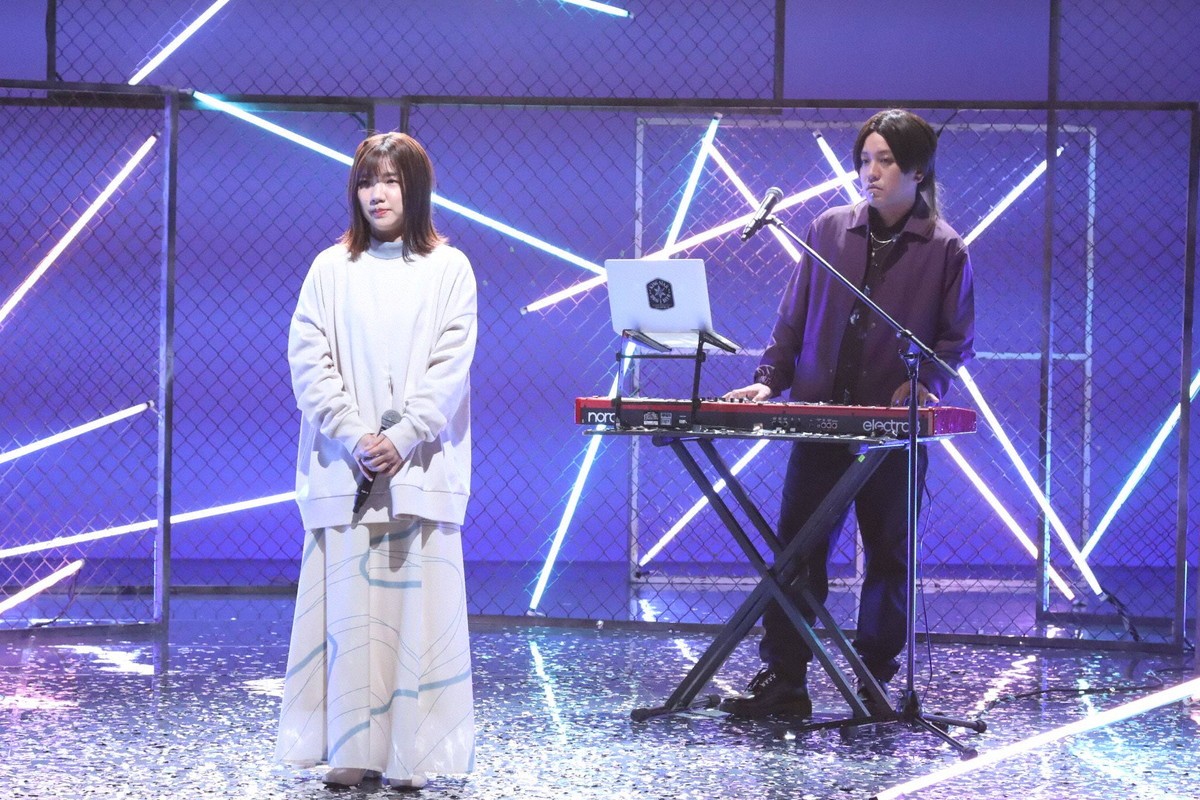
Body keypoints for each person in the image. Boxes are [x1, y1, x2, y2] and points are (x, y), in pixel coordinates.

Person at [721, 109, 975, 719]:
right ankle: (784, 680)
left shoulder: (944, 247)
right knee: (797, 551)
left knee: (888, 553)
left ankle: (874, 680)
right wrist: (768, 381)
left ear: (917, 171)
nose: (871, 172)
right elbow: (793, 319)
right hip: (820, 418)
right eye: (865, 160)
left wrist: (924, 383)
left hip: (891, 429)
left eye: (885, 161)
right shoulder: (829, 229)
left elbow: (955, 340)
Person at [275, 132, 477, 788]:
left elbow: (450, 365)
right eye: (367, 181)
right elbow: (309, 362)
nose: (377, 193)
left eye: (390, 180)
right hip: (348, 470)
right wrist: (355, 436)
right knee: (350, 616)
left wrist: (407, 433)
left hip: (420, 473)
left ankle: (411, 757)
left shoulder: (450, 269)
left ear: (415, 188)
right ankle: (351, 751)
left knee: (416, 615)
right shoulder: (330, 269)